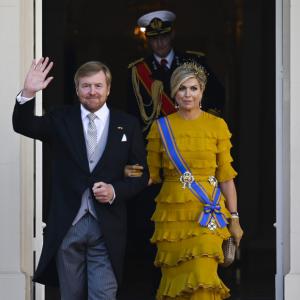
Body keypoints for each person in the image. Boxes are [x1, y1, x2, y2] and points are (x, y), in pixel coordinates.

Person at [12, 57, 149, 299]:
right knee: (71, 295)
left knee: (104, 294)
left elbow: (138, 173)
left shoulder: (126, 125)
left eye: (98, 86)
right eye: (86, 86)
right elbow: (25, 126)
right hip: (69, 224)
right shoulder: (60, 118)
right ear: (77, 90)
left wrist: (115, 190)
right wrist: (28, 93)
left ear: (108, 89)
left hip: (107, 224)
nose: (92, 91)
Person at [146, 61, 243, 299]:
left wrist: (235, 218)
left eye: (193, 88)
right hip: (172, 219)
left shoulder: (217, 125)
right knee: (176, 285)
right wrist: (124, 172)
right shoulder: (161, 128)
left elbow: (226, 177)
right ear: (173, 93)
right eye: (182, 88)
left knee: (202, 278)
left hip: (208, 214)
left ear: (202, 92)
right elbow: (151, 176)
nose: (187, 94)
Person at [127, 9, 225, 137]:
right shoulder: (138, 71)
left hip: (193, 137)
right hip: (155, 142)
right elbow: (132, 113)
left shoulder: (193, 61)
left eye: (164, 37)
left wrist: (205, 123)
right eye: (154, 38)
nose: (160, 43)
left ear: (172, 34)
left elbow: (217, 93)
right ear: (147, 39)